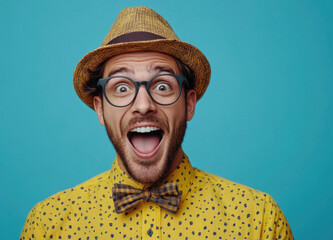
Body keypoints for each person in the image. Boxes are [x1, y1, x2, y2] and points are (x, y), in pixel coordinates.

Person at [21, 6, 293, 239]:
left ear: (189, 104)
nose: (143, 106)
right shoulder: (49, 225)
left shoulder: (258, 220)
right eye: (122, 88)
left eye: (162, 86)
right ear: (100, 109)